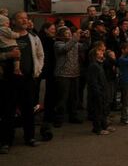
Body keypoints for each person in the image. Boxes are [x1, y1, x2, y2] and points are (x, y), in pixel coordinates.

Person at [5, 12, 45, 150]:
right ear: (13, 22)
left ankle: (30, 137)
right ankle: (6, 141)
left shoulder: (33, 38)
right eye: (20, 18)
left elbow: (40, 55)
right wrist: (8, 55)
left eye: (26, 18)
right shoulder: (4, 37)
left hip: (28, 80)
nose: (24, 20)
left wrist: (37, 70)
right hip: (8, 80)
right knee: (7, 111)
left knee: (28, 110)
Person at [54, 26, 82, 127]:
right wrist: (74, 38)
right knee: (62, 98)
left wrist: (88, 38)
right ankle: (59, 119)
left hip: (75, 73)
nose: (69, 34)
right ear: (61, 35)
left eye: (70, 32)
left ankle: (73, 116)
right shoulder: (58, 44)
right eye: (67, 33)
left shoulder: (74, 43)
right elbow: (65, 49)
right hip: (63, 74)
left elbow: (84, 47)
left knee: (74, 97)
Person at [36, 22, 57, 140]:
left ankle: (46, 118)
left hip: (48, 72)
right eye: (52, 28)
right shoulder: (45, 40)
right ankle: (44, 119)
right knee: (44, 96)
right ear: (45, 29)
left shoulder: (48, 39)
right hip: (45, 73)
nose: (54, 30)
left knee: (48, 95)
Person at [87, 43, 113, 135]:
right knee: (98, 111)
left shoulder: (99, 64)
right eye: (99, 51)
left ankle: (104, 126)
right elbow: (93, 82)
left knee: (103, 110)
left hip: (102, 90)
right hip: (97, 92)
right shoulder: (93, 66)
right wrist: (98, 92)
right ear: (94, 55)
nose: (102, 52)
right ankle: (97, 128)